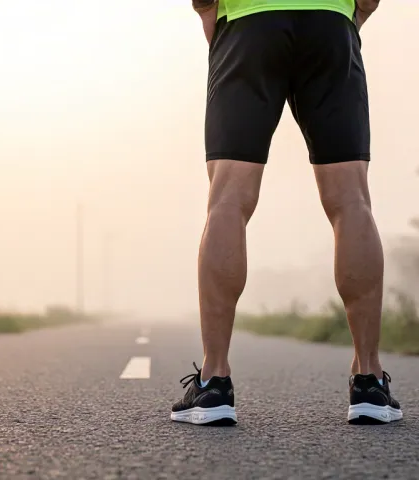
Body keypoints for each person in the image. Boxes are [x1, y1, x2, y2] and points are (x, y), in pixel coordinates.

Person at [171, 0, 403, 426]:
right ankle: (369, 380)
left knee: (228, 199)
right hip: (331, 23)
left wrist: (209, 15)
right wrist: (353, 18)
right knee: (351, 199)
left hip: (247, 24)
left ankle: (214, 383)